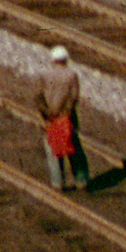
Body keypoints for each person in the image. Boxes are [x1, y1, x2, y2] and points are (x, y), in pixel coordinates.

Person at [35, 43, 89, 190]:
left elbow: (38, 96)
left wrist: (46, 113)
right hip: (67, 118)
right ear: (66, 59)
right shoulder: (72, 75)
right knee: (73, 147)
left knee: (53, 149)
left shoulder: (44, 75)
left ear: (53, 60)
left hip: (49, 118)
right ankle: (81, 179)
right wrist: (65, 112)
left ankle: (57, 182)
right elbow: (74, 97)